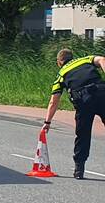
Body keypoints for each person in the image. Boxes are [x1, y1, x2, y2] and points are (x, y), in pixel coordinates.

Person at [43, 47, 105, 179]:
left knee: (82, 135)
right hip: (102, 93)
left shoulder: (61, 74)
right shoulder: (85, 60)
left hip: (83, 101)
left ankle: (79, 169)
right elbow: (102, 59)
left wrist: (47, 122)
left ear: (59, 62)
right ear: (72, 57)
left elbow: (53, 101)